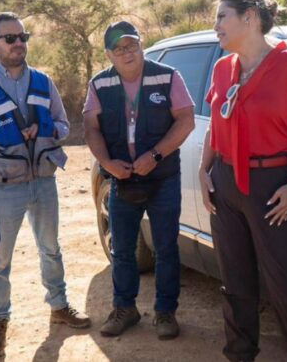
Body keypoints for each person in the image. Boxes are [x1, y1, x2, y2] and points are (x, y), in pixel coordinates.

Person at [200, 0, 287, 362]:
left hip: (274, 188)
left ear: (249, 18)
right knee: (235, 285)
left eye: (221, 17)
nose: (215, 25)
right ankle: (239, 354)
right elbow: (215, 124)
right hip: (225, 183)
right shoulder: (223, 68)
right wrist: (204, 170)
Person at [0, 12, 90, 359]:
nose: (18, 43)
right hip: (4, 186)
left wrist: (47, 129)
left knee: (51, 248)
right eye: (10, 38)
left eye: (23, 37)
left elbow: (64, 125)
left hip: (44, 181)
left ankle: (59, 306)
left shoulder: (43, 82)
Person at [83, 20, 195, 340]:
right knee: (122, 249)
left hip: (163, 178)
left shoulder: (168, 76)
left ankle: (165, 312)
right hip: (122, 181)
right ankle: (124, 308)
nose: (127, 52)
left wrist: (156, 155)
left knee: (165, 248)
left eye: (132, 45)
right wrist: (107, 164)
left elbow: (186, 120)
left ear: (141, 45)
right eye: (119, 49)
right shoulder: (99, 84)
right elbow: (90, 127)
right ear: (108, 54)